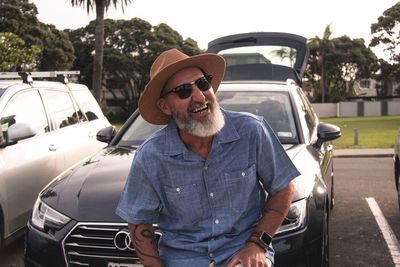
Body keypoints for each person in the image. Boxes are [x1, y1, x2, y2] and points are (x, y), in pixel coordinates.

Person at [116, 49, 300, 267]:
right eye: (184, 91)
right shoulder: (150, 156)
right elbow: (139, 223)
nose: (200, 96)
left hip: (243, 252)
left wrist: (258, 244)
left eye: (203, 84)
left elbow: (283, 188)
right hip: (181, 260)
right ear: (165, 106)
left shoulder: (252, 131)